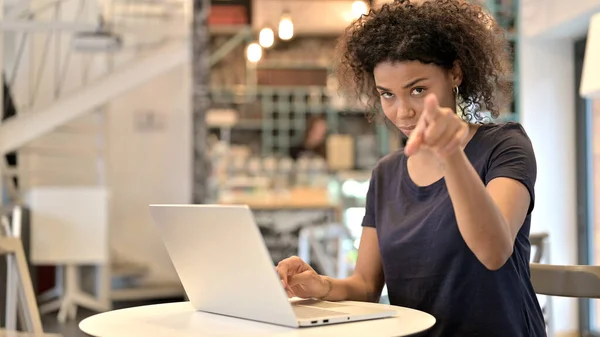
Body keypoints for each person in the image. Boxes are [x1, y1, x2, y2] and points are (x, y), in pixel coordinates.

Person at [276, 1, 546, 336]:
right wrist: (321, 286)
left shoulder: (503, 147)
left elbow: (494, 252)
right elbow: (365, 286)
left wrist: (451, 155)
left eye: (418, 90)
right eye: (387, 94)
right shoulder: (387, 173)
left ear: (456, 74)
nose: (402, 112)